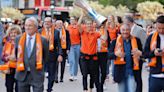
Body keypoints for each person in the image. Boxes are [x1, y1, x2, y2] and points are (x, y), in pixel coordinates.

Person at [15, 17, 49, 92]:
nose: (27, 27)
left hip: (37, 74)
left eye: (30, 25)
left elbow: (46, 57)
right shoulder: (18, 39)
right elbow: (16, 54)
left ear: (36, 27)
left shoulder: (43, 40)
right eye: (26, 25)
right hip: (22, 74)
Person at [108, 24, 143, 92]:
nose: (125, 32)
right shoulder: (115, 41)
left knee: (132, 90)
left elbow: (142, 54)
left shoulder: (136, 40)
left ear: (130, 30)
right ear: (120, 31)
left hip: (132, 72)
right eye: (123, 30)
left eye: (127, 30)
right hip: (120, 72)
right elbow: (108, 55)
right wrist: (116, 54)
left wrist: (139, 55)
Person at [78, 12, 103, 92]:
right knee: (84, 74)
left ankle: (91, 88)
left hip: (93, 57)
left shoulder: (96, 34)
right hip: (83, 57)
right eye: (87, 24)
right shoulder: (83, 32)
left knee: (93, 74)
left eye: (90, 24)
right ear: (85, 25)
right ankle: (85, 89)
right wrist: (82, 15)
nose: (89, 25)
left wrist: (104, 26)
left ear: (93, 25)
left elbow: (104, 37)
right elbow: (78, 24)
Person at [39, 17, 63, 92]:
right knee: (40, 74)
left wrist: (60, 54)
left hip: (52, 55)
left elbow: (59, 44)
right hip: (41, 55)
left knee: (52, 73)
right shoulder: (39, 32)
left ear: (51, 23)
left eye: (48, 22)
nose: (46, 23)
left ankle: (49, 88)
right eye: (45, 22)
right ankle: (39, 88)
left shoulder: (56, 32)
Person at [123, 15, 146, 92]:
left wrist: (141, 55)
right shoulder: (126, 30)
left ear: (128, 22)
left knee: (137, 78)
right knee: (131, 79)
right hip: (129, 60)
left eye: (124, 21)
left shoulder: (140, 30)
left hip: (138, 59)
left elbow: (145, 45)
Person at [144, 15, 164, 92]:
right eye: (159, 28)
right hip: (155, 75)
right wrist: (153, 53)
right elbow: (145, 54)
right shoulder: (151, 37)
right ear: (156, 26)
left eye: (163, 28)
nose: (161, 31)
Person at [0, 25, 22, 92]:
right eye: (11, 33)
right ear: (9, 34)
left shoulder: (21, 43)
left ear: (18, 34)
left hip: (19, 69)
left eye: (15, 32)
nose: (13, 34)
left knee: (18, 88)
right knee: (9, 87)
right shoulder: (6, 43)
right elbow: (2, 57)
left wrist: (16, 58)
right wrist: (8, 58)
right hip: (9, 69)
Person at [67, 16, 81, 81]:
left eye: (73, 20)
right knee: (71, 60)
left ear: (75, 21)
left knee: (76, 60)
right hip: (71, 46)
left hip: (78, 45)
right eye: (71, 20)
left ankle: (75, 74)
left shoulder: (78, 27)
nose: (72, 21)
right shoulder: (68, 27)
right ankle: (71, 74)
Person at [96, 22, 108, 92]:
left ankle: (102, 84)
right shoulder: (92, 30)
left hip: (103, 53)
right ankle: (98, 87)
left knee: (103, 72)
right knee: (96, 71)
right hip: (95, 53)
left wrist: (105, 27)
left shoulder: (104, 30)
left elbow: (105, 38)